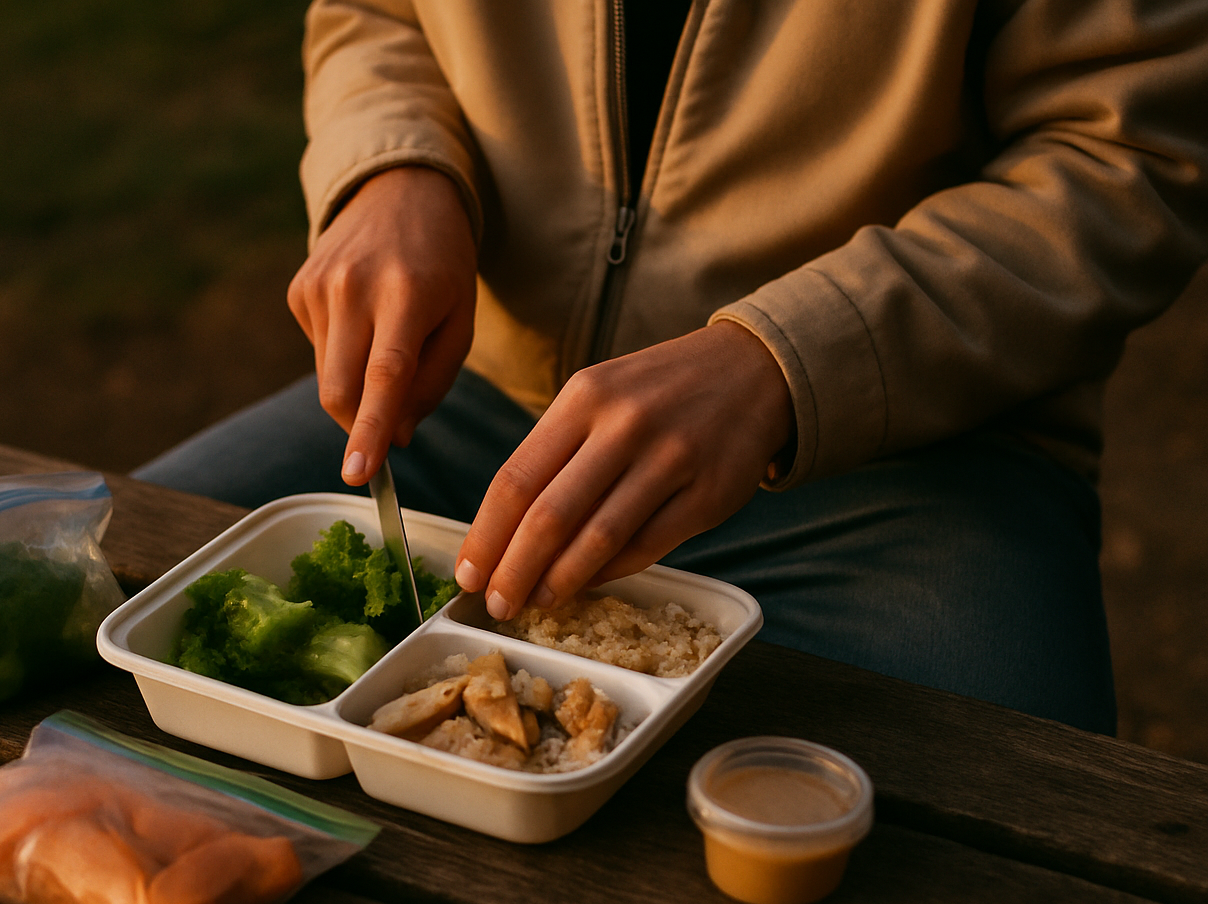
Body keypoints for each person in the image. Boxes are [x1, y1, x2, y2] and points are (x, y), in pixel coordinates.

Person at [135, 0, 1208, 734]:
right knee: (123, 595)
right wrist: (394, 166)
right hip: (482, 390)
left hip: (916, 453)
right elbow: (381, 15)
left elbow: (1133, 155)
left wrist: (785, 363)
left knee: (1014, 860)